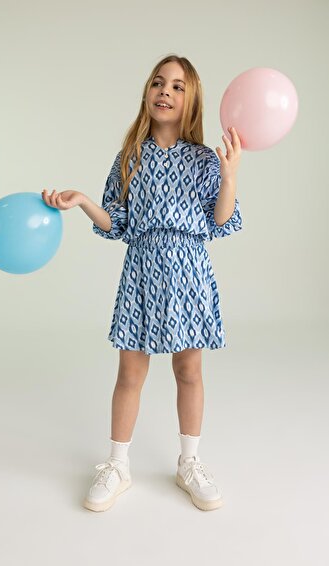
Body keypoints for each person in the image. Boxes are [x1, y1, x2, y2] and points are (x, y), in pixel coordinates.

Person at [42, 54, 243, 513]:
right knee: (130, 373)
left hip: (189, 272)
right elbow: (117, 223)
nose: (165, 91)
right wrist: (83, 201)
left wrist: (229, 176)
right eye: (158, 82)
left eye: (177, 86)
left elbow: (221, 219)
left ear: (190, 101)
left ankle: (189, 462)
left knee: (188, 371)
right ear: (147, 93)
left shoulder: (203, 159)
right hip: (141, 272)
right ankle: (118, 465)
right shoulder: (130, 157)